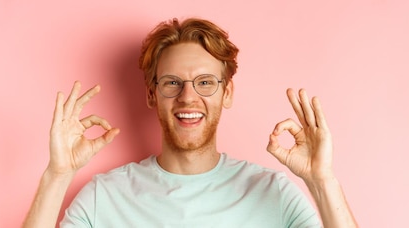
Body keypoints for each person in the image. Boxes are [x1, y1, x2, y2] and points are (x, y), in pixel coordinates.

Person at [23, 18, 357, 228]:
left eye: (205, 82)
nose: (187, 97)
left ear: (227, 94)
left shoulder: (274, 193)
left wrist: (321, 181)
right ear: (152, 95)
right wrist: (58, 175)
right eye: (172, 82)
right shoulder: (104, 197)